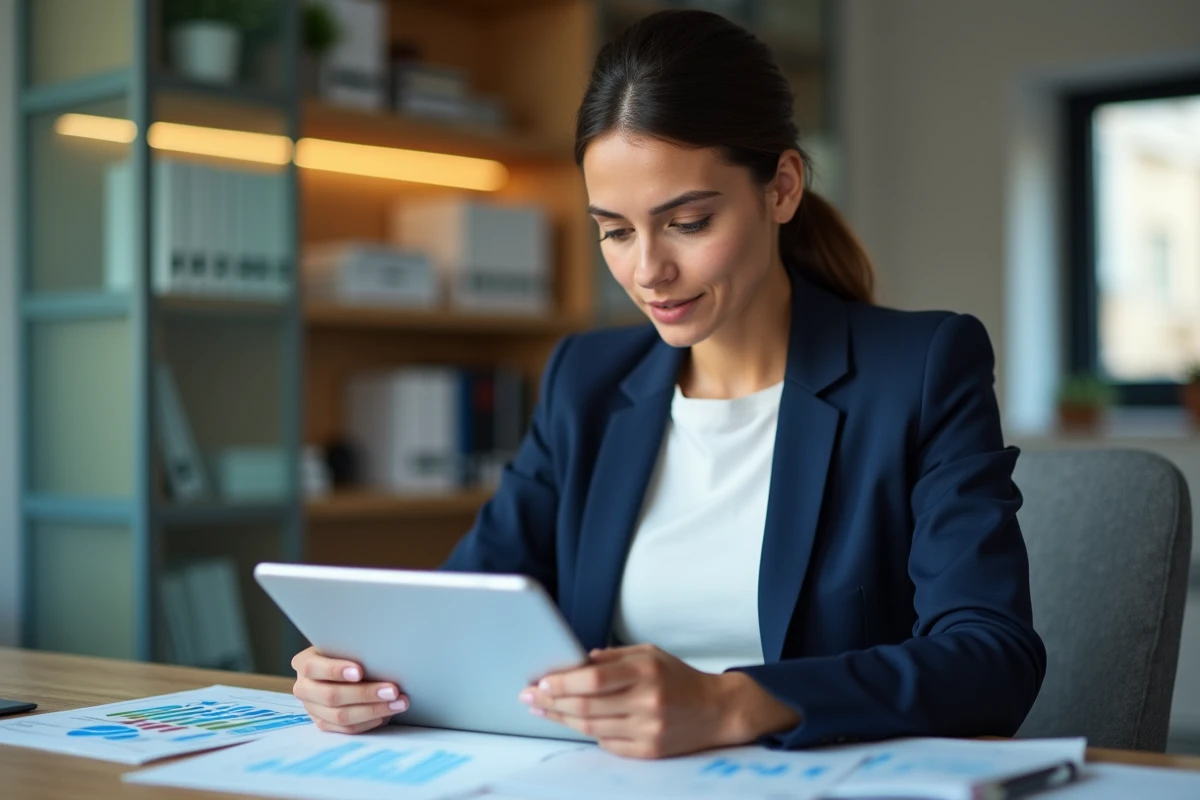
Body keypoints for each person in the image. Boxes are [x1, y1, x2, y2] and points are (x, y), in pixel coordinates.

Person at [290, 9, 1046, 759]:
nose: (647, 271)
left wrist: (734, 702)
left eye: (686, 222)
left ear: (781, 188)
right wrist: (365, 674)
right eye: (615, 231)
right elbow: (463, 611)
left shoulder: (918, 369)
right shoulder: (587, 381)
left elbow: (992, 658)